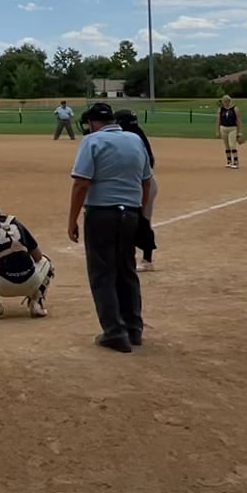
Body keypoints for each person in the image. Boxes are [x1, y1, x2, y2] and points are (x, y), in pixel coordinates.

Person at [67, 102, 154, 352]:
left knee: (102, 273)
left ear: (93, 123)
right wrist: (139, 211)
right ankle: (134, 329)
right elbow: (146, 181)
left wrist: (72, 220)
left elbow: (81, 183)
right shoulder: (135, 140)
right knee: (126, 270)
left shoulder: (92, 141)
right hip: (130, 213)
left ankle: (114, 332)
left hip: (102, 213)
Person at [113, 109, 160, 271]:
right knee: (136, 221)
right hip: (140, 185)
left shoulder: (132, 139)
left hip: (141, 186)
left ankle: (147, 260)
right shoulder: (136, 137)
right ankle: (131, 258)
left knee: (141, 222)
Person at [216, 95, 243, 169]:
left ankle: (236, 161)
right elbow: (218, 120)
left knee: (232, 145)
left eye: (227, 101)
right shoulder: (220, 109)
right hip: (223, 128)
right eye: (224, 101)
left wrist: (240, 132)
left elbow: (238, 120)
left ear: (230, 101)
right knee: (226, 145)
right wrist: (217, 131)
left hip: (232, 128)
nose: (226, 103)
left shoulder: (235, 109)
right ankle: (229, 161)